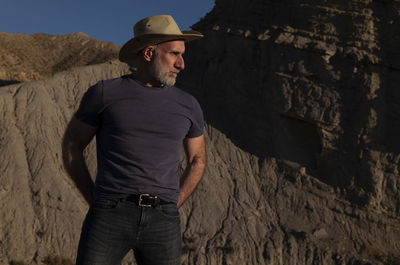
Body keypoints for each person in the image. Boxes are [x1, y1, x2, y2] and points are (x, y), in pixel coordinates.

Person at [62, 15, 206, 265]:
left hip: (164, 221)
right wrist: (95, 199)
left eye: (182, 55)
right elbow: (72, 145)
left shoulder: (188, 105)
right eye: (174, 54)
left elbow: (198, 159)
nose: (181, 64)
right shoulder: (105, 93)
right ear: (149, 53)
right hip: (109, 214)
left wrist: (173, 203)